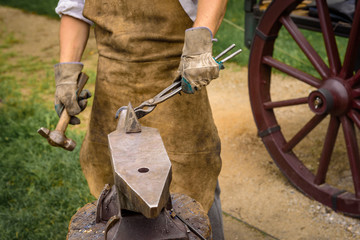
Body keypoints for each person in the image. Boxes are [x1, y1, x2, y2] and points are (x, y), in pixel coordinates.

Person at [54, 0, 227, 239]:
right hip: (112, 85)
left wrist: (199, 47)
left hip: (176, 77)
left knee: (192, 184)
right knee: (117, 186)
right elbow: (75, 8)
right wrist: (67, 74)